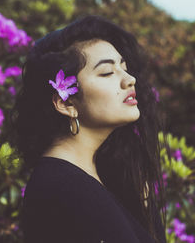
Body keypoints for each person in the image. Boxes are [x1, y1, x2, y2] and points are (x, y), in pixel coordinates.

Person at [10, 15, 169, 243]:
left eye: (124, 68)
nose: (129, 79)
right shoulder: (62, 187)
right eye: (107, 72)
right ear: (66, 103)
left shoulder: (103, 179)